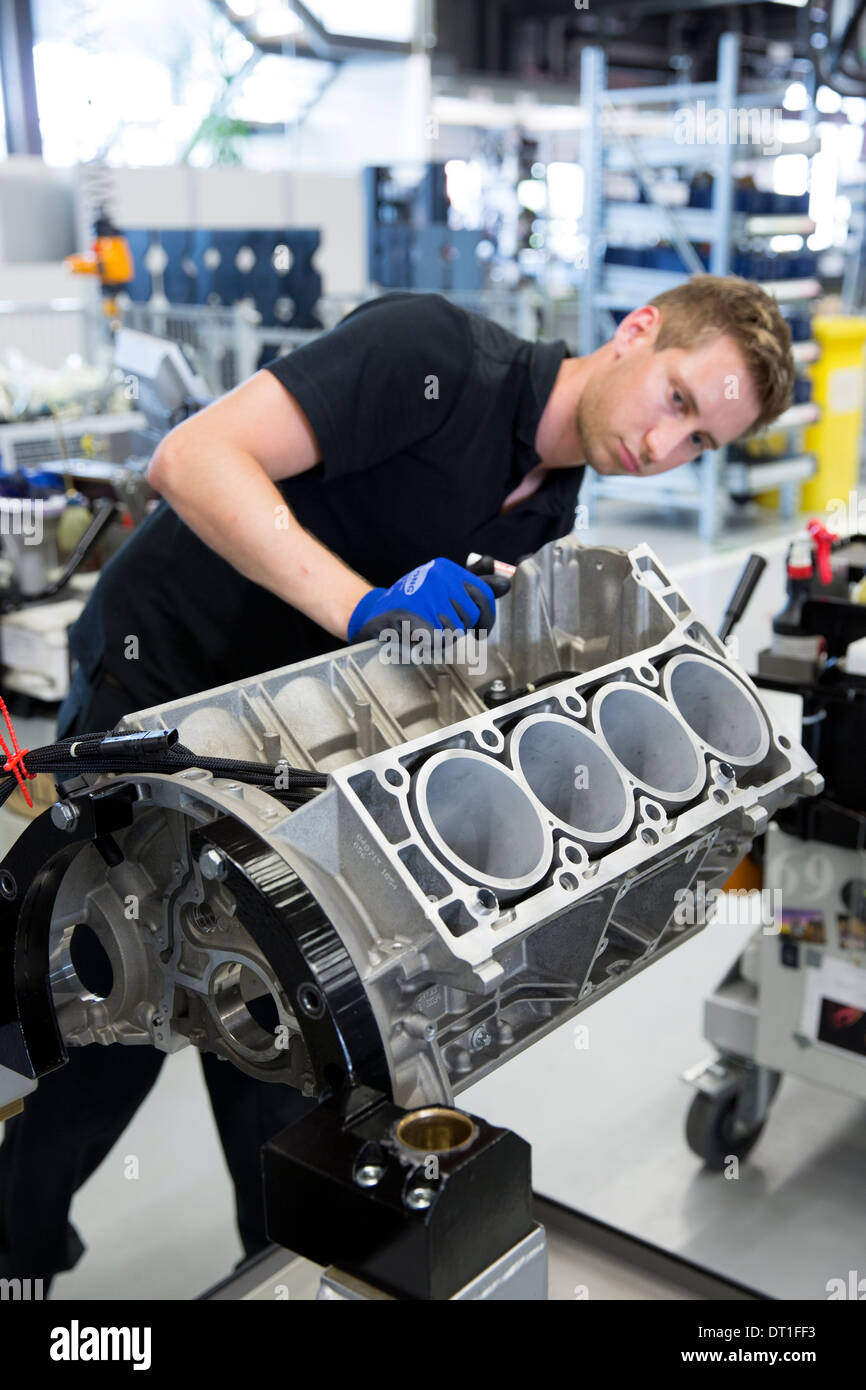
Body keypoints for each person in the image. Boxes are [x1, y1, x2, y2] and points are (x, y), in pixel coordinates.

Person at [0, 274, 795, 1291]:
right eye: (677, 401)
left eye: (699, 444)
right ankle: (17, 1255)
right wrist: (362, 602)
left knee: (287, 1029)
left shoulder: (546, 515)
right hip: (165, 687)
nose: (666, 445)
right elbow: (191, 457)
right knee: (112, 1003)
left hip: (286, 760)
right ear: (636, 332)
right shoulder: (435, 358)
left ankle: (278, 1264)